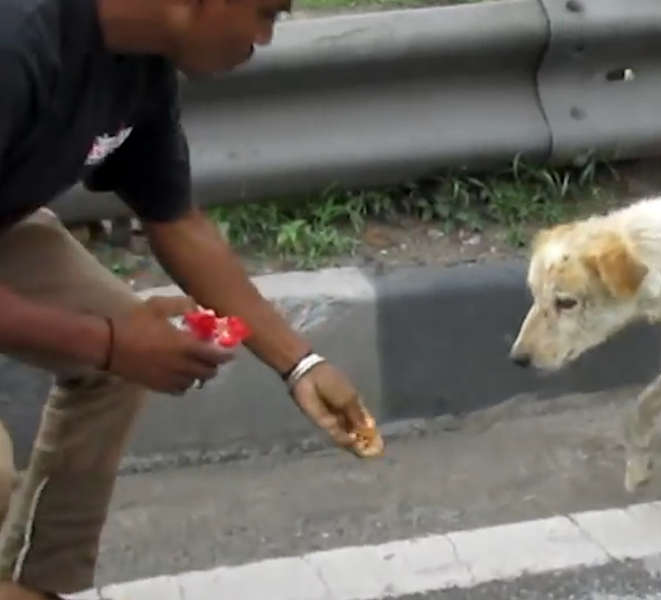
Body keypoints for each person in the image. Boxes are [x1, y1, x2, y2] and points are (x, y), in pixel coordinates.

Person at [0, 0, 385, 597]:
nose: (264, 38)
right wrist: (107, 344)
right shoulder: (18, 41)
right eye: (265, 13)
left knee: (121, 347)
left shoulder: (140, 64)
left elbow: (175, 219)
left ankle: (32, 585)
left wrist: (300, 364)